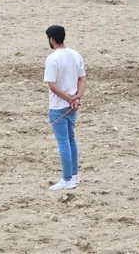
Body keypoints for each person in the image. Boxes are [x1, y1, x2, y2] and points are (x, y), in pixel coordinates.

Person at [43, 25, 85, 191]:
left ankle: (67, 178)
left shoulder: (53, 59)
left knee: (63, 142)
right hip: (72, 105)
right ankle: (74, 175)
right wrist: (76, 98)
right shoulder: (76, 55)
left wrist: (69, 99)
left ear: (52, 40)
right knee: (71, 139)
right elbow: (82, 79)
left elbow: (52, 86)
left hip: (59, 105)